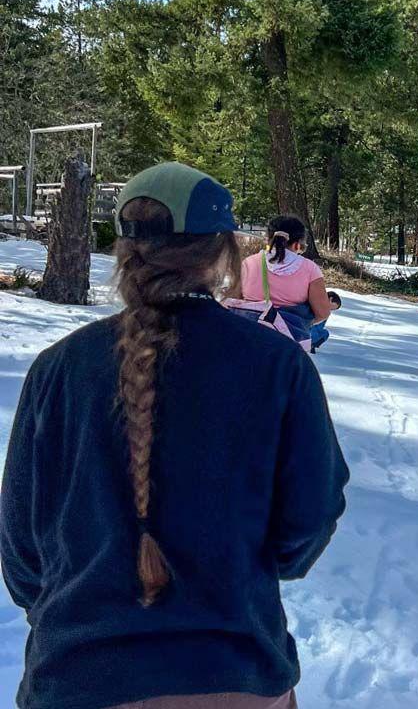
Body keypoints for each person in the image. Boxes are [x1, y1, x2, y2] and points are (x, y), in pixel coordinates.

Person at [0, 162, 349, 709]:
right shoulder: (277, 366)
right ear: (224, 252)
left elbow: (22, 551)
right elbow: (305, 526)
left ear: (123, 251)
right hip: (235, 672)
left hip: (78, 678)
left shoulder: (59, 369)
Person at [240, 216, 334, 351]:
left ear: (268, 239)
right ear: (297, 244)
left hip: (248, 339)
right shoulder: (309, 268)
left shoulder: (249, 263)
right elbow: (323, 312)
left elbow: (235, 299)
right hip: (288, 345)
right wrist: (302, 322)